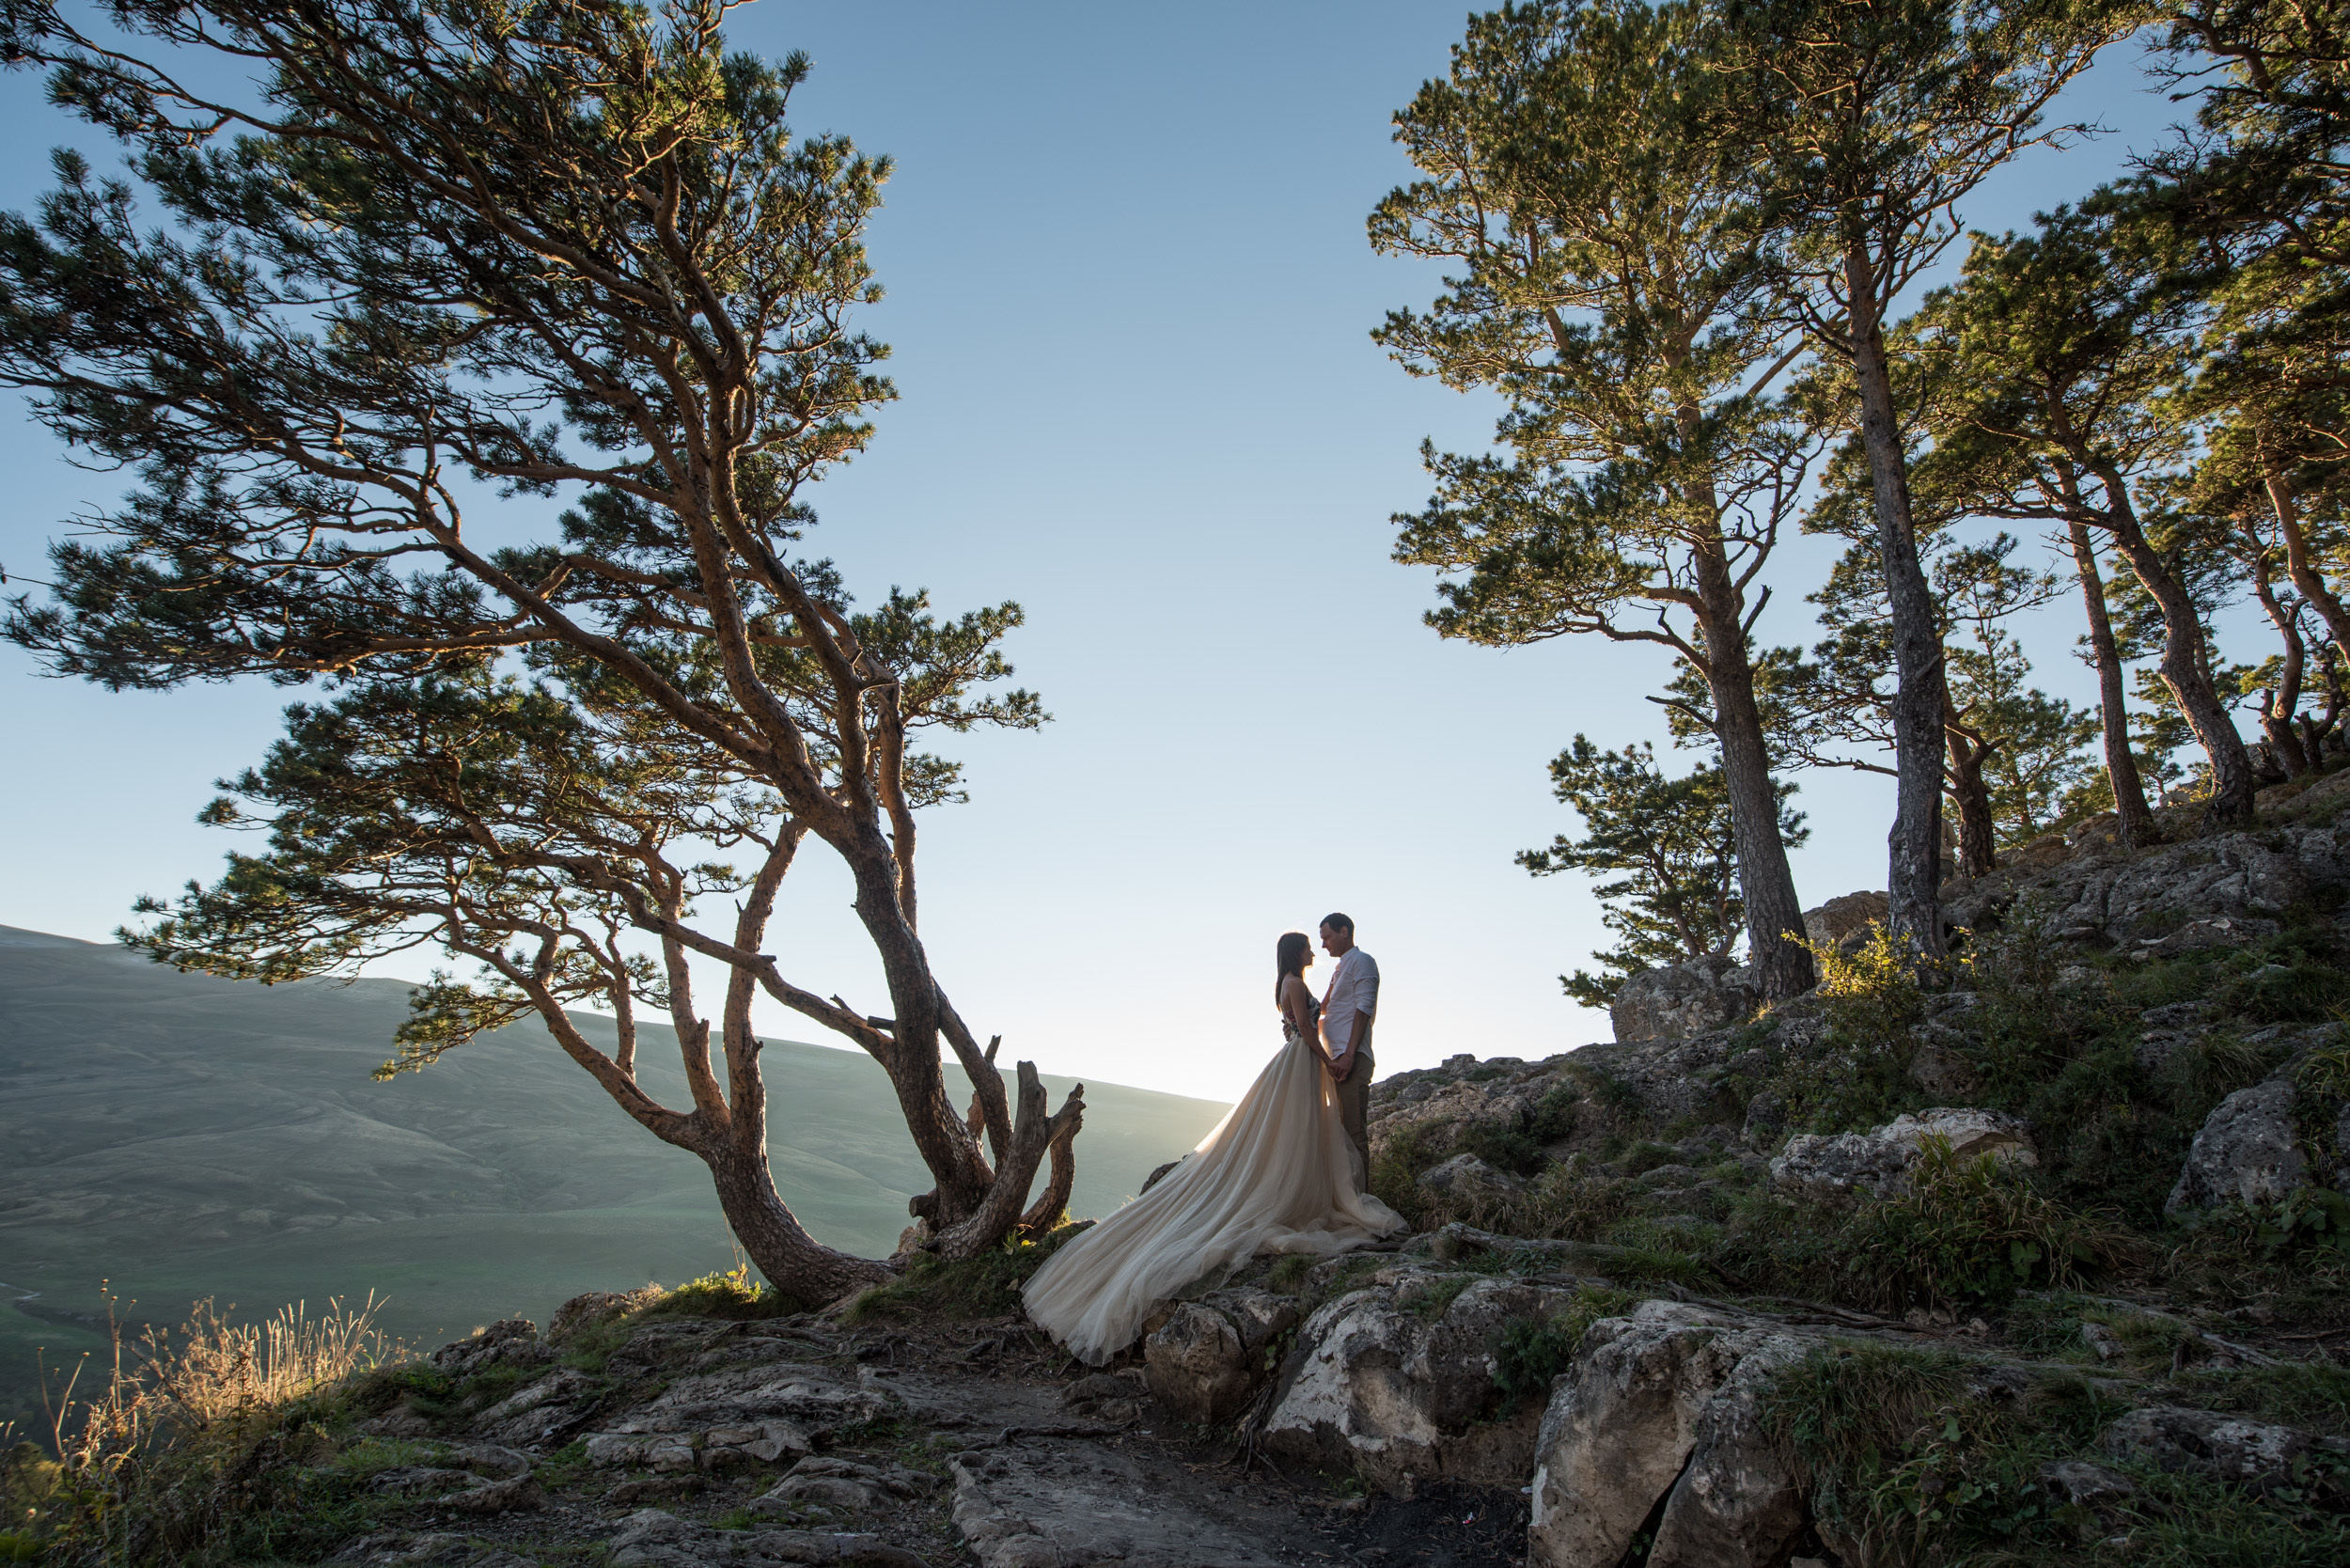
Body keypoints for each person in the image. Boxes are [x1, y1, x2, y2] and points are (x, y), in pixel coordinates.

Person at [1019, 928, 1404, 1364]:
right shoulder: (1294, 983)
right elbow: (1303, 1029)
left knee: (1294, 1138)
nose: (1315, 948)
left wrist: (1330, 1015)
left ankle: (1311, 1189)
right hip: (1301, 1063)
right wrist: (1329, 1059)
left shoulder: (1296, 982)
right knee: (1290, 1138)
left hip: (1300, 1065)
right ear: (1297, 952)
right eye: (1309, 944)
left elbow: (1312, 1019)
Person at [1317, 913, 1377, 1181]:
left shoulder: (1363, 962)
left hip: (1349, 1057)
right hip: (1335, 1058)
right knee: (1338, 1133)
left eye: (1327, 937)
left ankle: (1361, 1203)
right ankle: (1345, 1198)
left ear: (1344, 931)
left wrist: (1350, 1055)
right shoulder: (1340, 969)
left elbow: (1363, 1007)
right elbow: (1324, 1008)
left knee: (1353, 1133)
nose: (1323, 945)